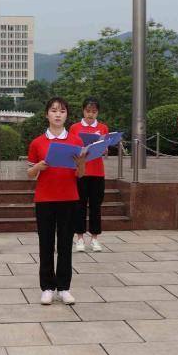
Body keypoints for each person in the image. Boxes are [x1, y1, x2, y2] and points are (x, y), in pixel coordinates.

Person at [28, 96, 87, 305]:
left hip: (69, 198)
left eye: (62, 111)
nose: (58, 115)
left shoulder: (76, 141)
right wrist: (38, 166)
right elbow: (30, 173)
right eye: (53, 111)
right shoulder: (37, 142)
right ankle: (47, 287)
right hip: (45, 199)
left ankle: (63, 288)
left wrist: (81, 163)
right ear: (47, 114)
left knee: (65, 244)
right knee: (46, 244)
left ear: (67, 115)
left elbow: (80, 174)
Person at [69, 97, 109, 252]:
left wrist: (104, 149)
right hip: (80, 172)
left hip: (97, 172)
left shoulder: (103, 128)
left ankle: (94, 239)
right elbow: (71, 147)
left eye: (94, 112)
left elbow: (105, 150)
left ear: (97, 112)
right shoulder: (75, 128)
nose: (90, 114)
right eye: (88, 111)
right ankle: (79, 238)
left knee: (95, 206)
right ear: (83, 110)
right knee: (79, 206)